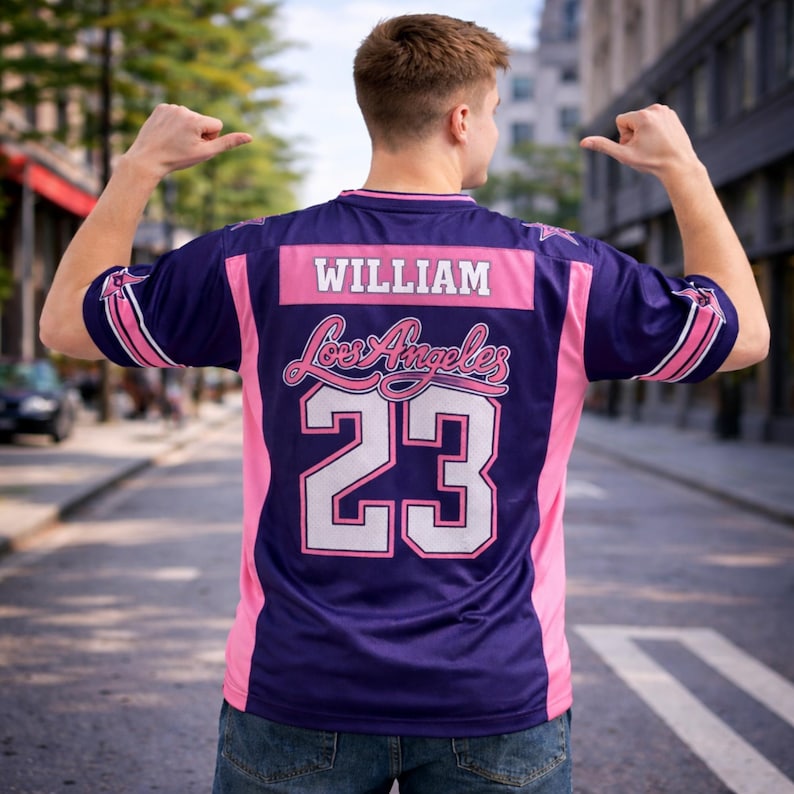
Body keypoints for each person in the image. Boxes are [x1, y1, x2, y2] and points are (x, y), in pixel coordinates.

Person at [39, 13, 769, 794]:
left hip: (298, 684)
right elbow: (742, 333)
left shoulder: (259, 260)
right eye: (494, 112)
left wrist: (140, 167)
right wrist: (685, 170)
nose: (493, 132)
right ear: (462, 119)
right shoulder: (562, 273)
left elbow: (67, 323)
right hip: (492, 689)